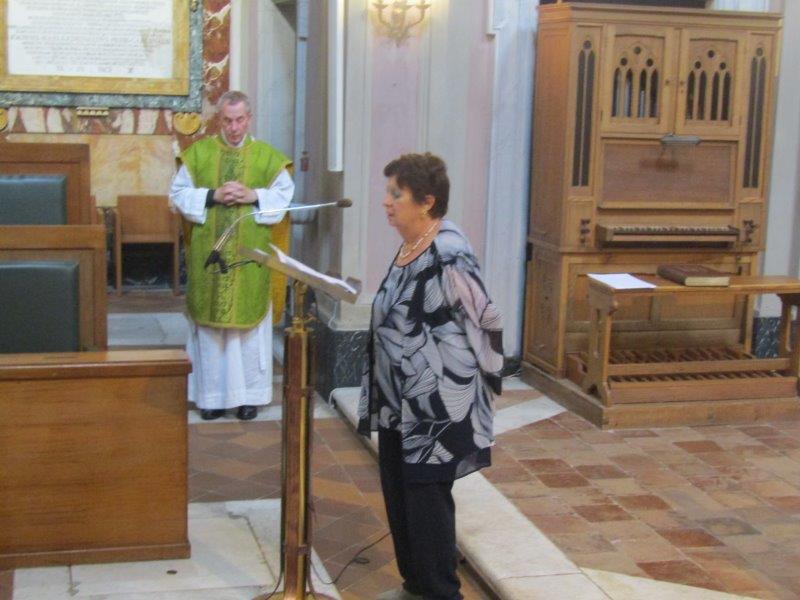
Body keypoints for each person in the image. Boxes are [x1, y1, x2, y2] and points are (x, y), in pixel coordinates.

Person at [358, 153, 503, 600]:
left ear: (427, 202)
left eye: (396, 194)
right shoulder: (412, 243)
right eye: (388, 192)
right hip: (400, 398)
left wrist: (486, 384)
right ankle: (416, 584)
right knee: (400, 492)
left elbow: (486, 318)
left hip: (437, 404)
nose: (386, 202)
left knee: (426, 502)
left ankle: (441, 591)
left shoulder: (448, 252)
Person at [169, 90, 294, 421]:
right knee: (212, 333)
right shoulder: (199, 154)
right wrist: (212, 195)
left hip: (249, 260)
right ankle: (210, 398)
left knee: (248, 334)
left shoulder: (268, 158)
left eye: (239, 120)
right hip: (210, 259)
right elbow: (177, 194)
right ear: (219, 120)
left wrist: (255, 195)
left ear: (249, 119)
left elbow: (284, 197)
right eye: (227, 121)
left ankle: (248, 397)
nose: (234, 128)